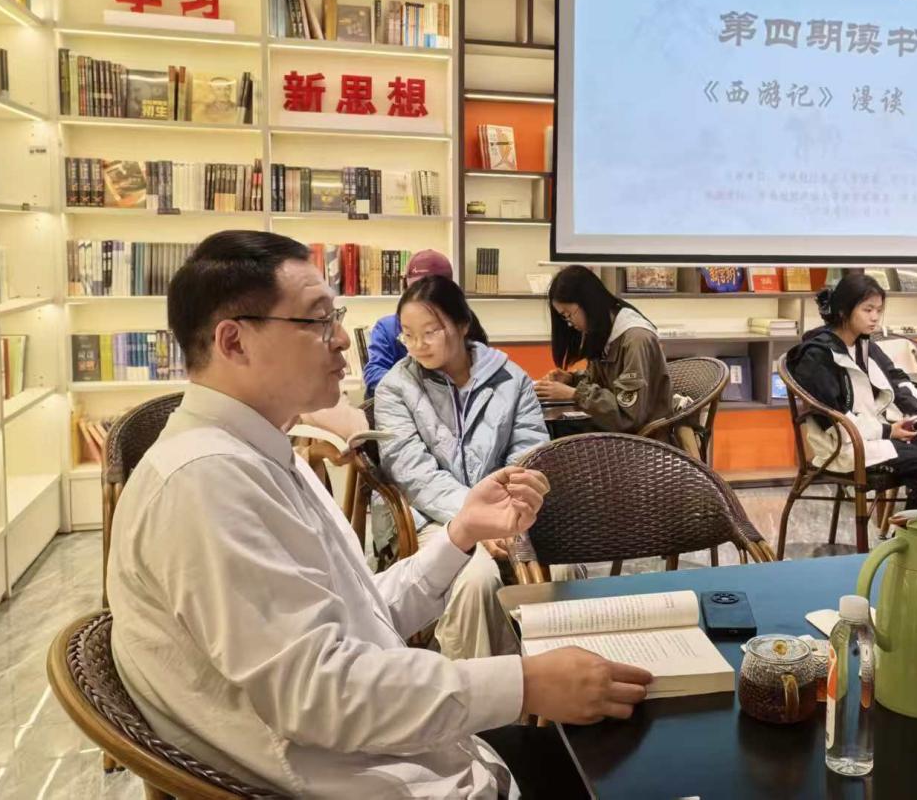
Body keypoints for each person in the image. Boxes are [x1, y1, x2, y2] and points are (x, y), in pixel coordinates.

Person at [107, 231, 650, 798]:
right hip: (383, 779)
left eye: (335, 317)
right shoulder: (206, 482)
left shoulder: (260, 455)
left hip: (422, 757)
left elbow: (362, 612)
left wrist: (460, 533)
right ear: (234, 341)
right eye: (318, 320)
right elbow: (321, 694)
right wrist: (522, 683)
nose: (344, 338)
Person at [375, 275, 549, 660]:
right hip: (432, 516)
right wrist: (478, 519)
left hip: (507, 513)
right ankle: (482, 688)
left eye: (430, 332)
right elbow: (413, 474)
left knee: (561, 569)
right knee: (477, 580)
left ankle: (552, 681)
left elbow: (528, 454)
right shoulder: (395, 388)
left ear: (462, 324)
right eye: (408, 335)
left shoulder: (511, 380)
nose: (418, 345)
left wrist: (507, 514)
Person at [785, 273, 917, 509]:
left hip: (874, 435)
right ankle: (915, 530)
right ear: (844, 310)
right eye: (867, 310)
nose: (875, 317)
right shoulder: (817, 355)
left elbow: (895, 377)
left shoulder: (864, 344)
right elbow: (834, 422)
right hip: (845, 448)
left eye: (878, 310)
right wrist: (888, 431)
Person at [534, 265, 674, 433]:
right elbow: (603, 382)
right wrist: (571, 379)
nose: (569, 324)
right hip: (612, 431)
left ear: (588, 303)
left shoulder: (636, 339)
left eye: (568, 315)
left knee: (549, 436)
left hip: (640, 439)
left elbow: (628, 416)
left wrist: (574, 394)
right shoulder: (605, 332)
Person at [364, 249, 453, 397]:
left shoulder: (459, 326)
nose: (423, 296)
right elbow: (374, 372)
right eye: (416, 289)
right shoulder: (388, 327)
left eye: (432, 290)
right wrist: (413, 389)